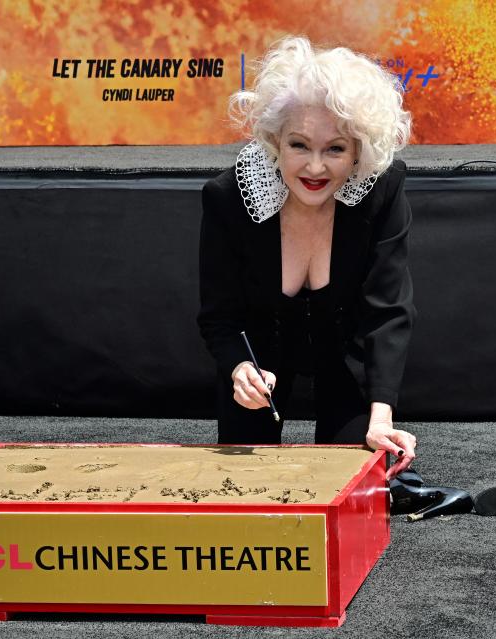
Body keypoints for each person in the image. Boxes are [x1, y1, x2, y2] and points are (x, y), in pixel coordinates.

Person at [197, 36, 416, 477]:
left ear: (359, 151)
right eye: (299, 146)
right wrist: (240, 370)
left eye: (334, 149)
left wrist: (381, 417)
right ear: (276, 139)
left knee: (354, 478)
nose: (315, 168)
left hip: (347, 358)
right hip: (259, 359)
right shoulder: (228, 198)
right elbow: (219, 316)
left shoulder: (382, 190)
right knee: (243, 481)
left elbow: (387, 312)